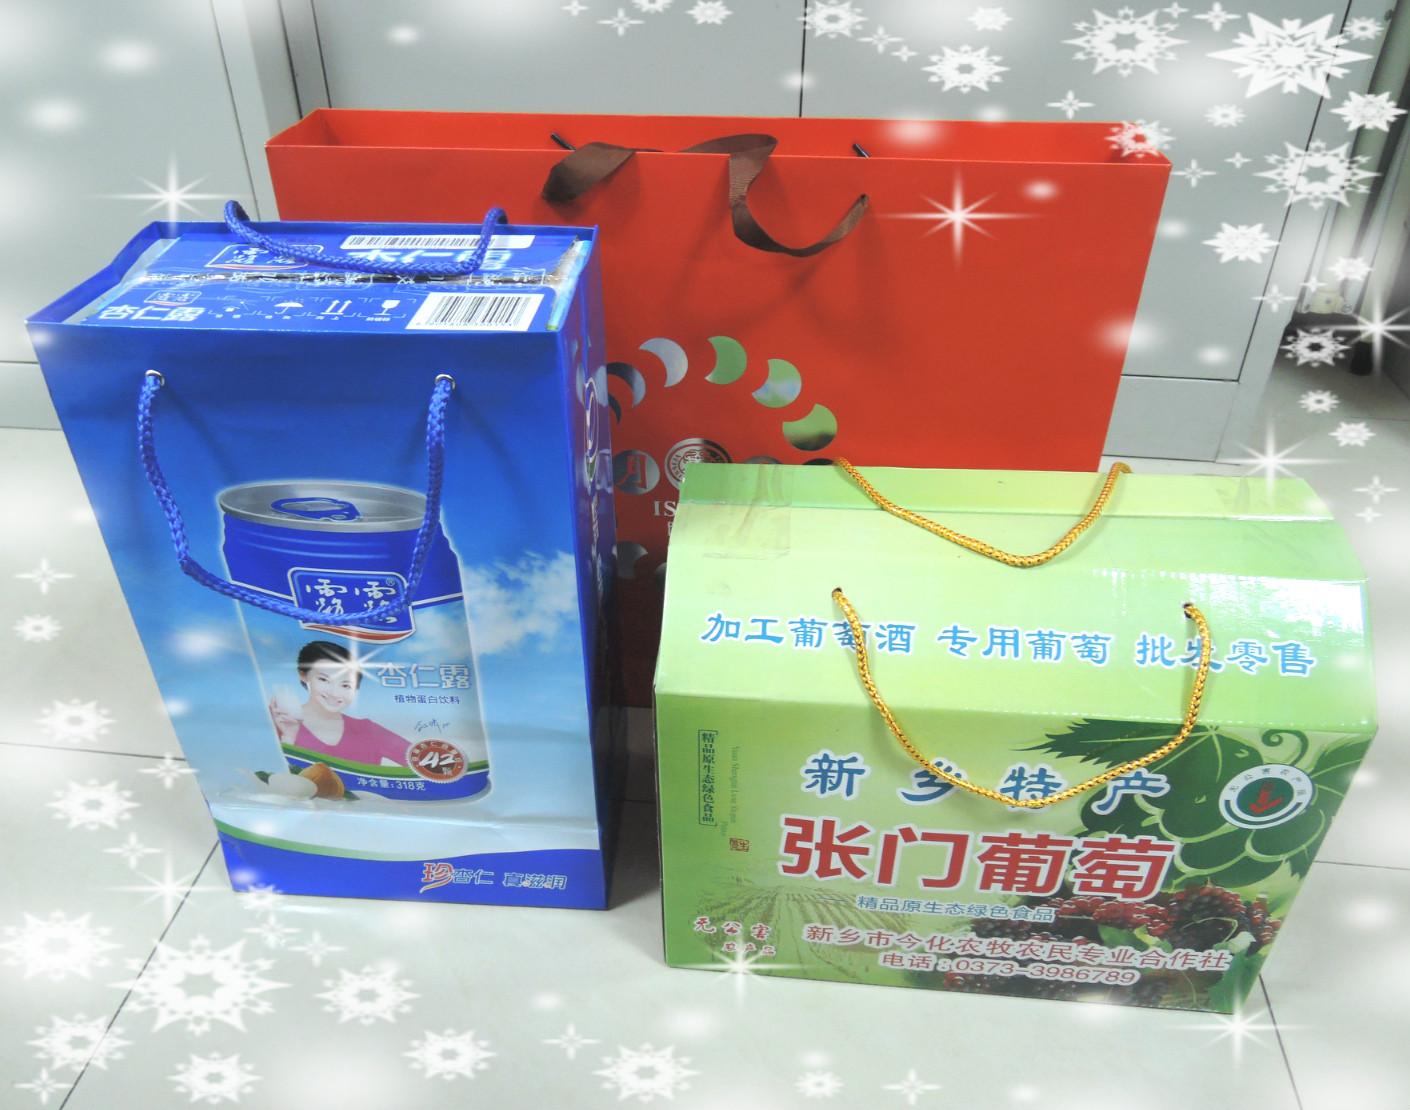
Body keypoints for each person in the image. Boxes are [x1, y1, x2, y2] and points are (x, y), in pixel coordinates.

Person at [268, 640, 410, 766]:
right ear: (303, 675)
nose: (334, 693)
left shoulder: (367, 730)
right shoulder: (280, 718)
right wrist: (288, 738)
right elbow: (267, 777)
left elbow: (420, 761)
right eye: (324, 680)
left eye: (346, 685)